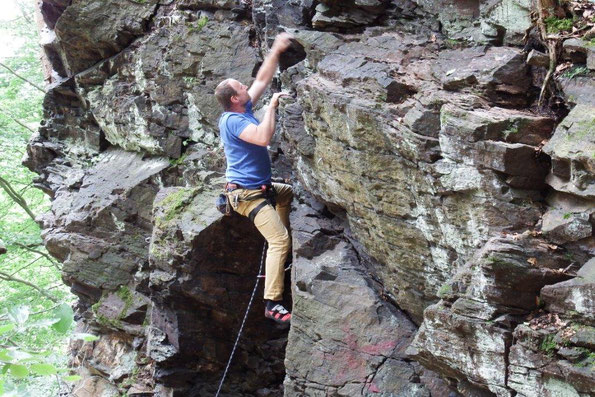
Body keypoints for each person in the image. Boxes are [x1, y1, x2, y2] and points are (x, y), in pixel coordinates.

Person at [214, 32, 294, 325]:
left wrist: (276, 50)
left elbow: (261, 79)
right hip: (247, 196)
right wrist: (271, 107)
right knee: (279, 240)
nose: (247, 87)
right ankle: (272, 303)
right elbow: (262, 138)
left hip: (261, 188)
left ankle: (282, 250)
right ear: (235, 98)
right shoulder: (234, 121)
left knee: (286, 193)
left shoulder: (241, 108)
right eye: (241, 88)